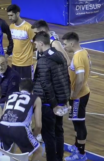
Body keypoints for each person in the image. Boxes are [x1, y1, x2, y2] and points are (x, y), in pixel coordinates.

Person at [32, 31, 70, 161]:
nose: (35, 47)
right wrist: (65, 99)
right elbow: (66, 78)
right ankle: (59, 158)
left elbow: (46, 85)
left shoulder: (43, 60)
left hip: (48, 104)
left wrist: (53, 105)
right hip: (60, 101)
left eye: (36, 44)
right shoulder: (60, 55)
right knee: (59, 132)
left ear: (41, 43)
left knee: (49, 136)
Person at [0, 79, 42, 161]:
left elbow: (2, 117)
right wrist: (34, 136)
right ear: (32, 90)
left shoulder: (10, 95)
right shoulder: (35, 98)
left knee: (9, 152)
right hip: (19, 129)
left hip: (2, 126)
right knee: (38, 151)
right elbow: (38, 125)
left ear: (19, 88)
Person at [62, 32, 91, 161]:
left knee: (79, 124)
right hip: (83, 92)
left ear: (72, 43)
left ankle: (81, 153)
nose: (64, 47)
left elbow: (79, 79)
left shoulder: (78, 56)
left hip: (79, 95)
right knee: (76, 121)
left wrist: (74, 94)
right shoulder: (84, 52)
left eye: (65, 44)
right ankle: (77, 145)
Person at [6, 4, 35, 79]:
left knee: (27, 88)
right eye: (8, 16)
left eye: (11, 15)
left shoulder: (28, 27)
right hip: (14, 63)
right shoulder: (11, 27)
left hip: (26, 64)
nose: (10, 18)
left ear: (18, 13)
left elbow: (35, 45)